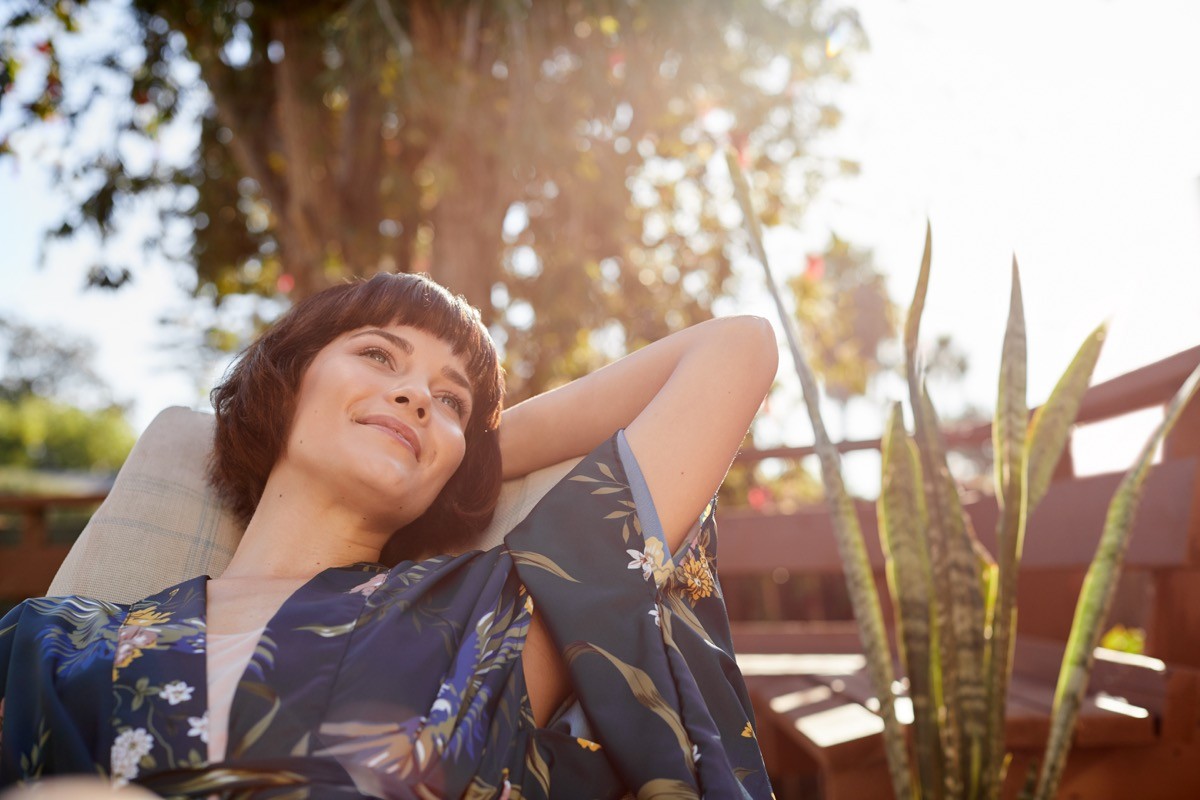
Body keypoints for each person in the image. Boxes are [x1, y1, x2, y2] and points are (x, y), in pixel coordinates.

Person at [0, 272, 778, 799]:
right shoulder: (49, 641)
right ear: (288, 378)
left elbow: (734, 349)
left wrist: (466, 454)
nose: (414, 393)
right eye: (378, 355)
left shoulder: (489, 615)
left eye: (449, 399)